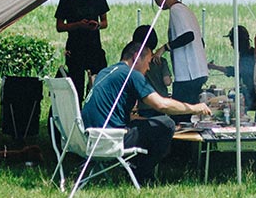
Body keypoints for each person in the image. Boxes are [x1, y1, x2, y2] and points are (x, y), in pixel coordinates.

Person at [82, 38, 211, 177]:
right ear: (136, 57)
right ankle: (141, 173)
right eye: (148, 62)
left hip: (89, 136)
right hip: (109, 138)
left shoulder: (106, 72)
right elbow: (161, 105)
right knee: (167, 124)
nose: (148, 68)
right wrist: (194, 108)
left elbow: (120, 114)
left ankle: (132, 168)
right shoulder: (131, 74)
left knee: (153, 122)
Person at [152, 0, 208, 104]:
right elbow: (200, 41)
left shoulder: (176, 10)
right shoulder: (184, 9)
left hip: (189, 74)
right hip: (197, 71)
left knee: (180, 113)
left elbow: (188, 36)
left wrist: (163, 48)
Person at [55, 0, 108, 101]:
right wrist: (78, 25)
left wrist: (97, 25)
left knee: (100, 81)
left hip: (94, 46)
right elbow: (60, 26)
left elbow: (105, 23)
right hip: (75, 48)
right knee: (76, 86)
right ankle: (77, 111)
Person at [209, 25, 255, 113]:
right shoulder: (245, 54)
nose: (231, 44)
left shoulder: (249, 56)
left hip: (251, 95)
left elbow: (236, 72)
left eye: (232, 42)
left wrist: (214, 67)